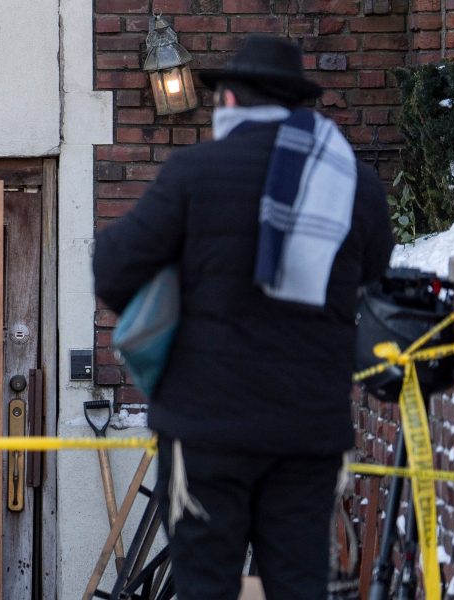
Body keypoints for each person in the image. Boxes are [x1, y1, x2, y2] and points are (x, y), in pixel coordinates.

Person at [94, 35, 392, 599]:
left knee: (205, 584)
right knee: (300, 584)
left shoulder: (194, 173)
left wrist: (176, 293)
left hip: (204, 428)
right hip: (308, 429)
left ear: (228, 100)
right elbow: (373, 270)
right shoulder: (349, 180)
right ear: (295, 103)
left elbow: (112, 267)